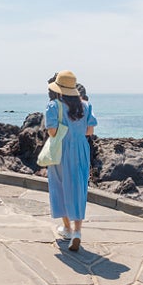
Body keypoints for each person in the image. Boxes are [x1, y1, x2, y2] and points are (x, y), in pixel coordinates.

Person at [45, 70, 97, 251]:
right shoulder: (86, 106)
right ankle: (77, 232)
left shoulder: (54, 106)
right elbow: (90, 131)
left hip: (61, 150)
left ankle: (66, 228)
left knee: (59, 186)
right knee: (78, 187)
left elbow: (52, 131)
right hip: (81, 149)